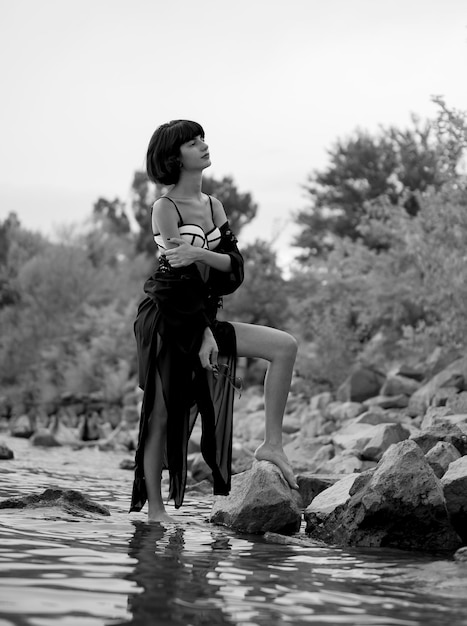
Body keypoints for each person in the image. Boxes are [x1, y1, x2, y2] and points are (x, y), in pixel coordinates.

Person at [130, 119, 298, 523]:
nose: (203, 145)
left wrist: (203, 255)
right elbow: (177, 278)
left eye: (202, 138)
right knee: (162, 411)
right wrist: (204, 330)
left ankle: (272, 444)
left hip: (202, 313)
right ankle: (155, 511)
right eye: (192, 142)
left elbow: (234, 271)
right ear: (174, 157)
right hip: (167, 318)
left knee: (284, 346)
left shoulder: (213, 206)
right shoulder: (163, 208)